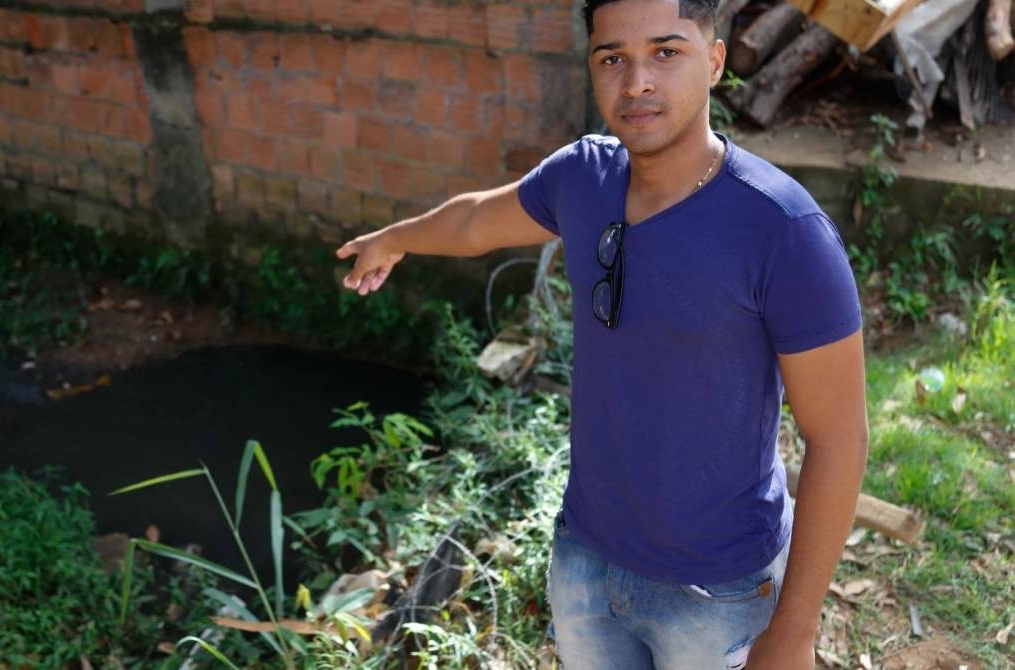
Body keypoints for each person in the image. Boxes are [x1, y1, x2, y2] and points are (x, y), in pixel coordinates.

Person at [334, 0, 868, 666]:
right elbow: (475, 221)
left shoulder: (783, 230)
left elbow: (838, 438)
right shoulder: (583, 179)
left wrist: (794, 629)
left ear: (715, 61)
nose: (636, 82)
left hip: (720, 587)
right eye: (612, 58)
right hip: (586, 561)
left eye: (666, 52)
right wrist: (397, 238)